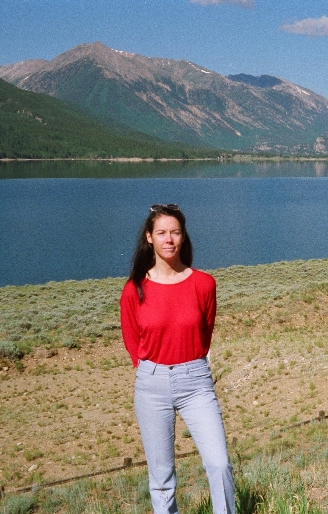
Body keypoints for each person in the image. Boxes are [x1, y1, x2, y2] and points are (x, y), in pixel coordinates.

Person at [120, 203, 235, 514]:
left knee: (219, 464)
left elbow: (204, 331)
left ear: (183, 237)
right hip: (151, 383)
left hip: (195, 380)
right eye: (161, 233)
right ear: (149, 238)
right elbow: (132, 339)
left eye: (175, 232)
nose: (168, 239)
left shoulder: (204, 284)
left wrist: (188, 363)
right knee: (161, 479)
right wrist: (152, 370)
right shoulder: (135, 289)